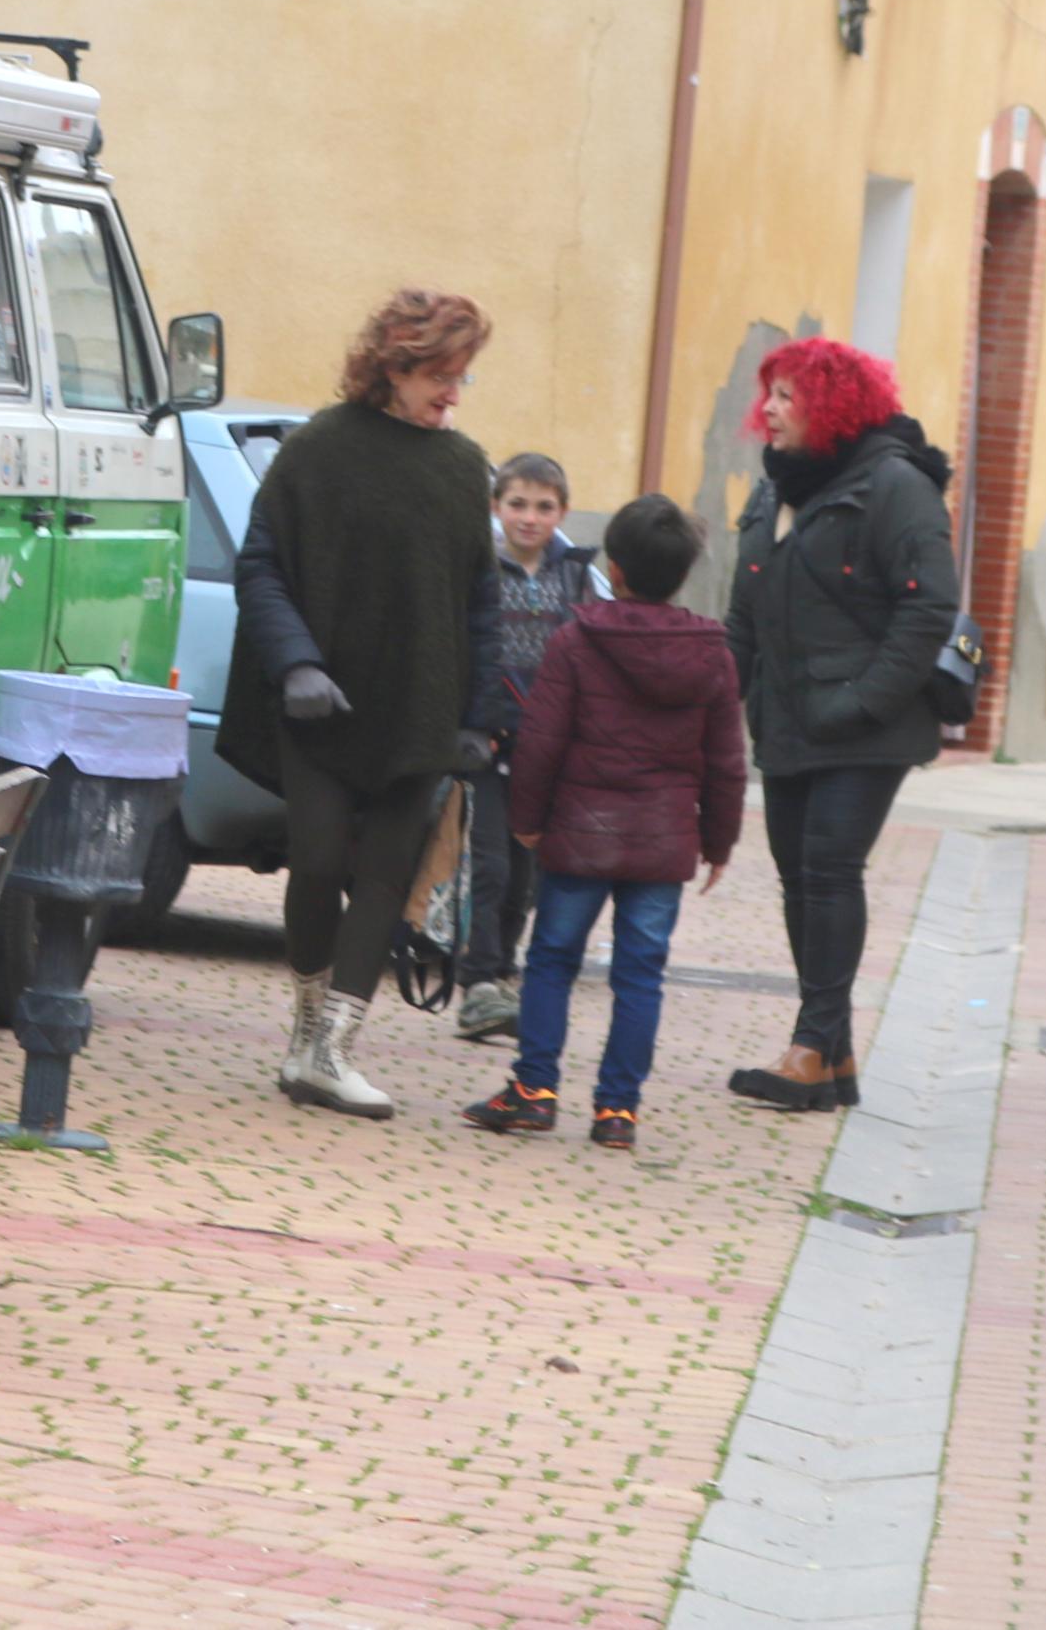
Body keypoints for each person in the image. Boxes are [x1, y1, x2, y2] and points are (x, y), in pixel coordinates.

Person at [217, 287, 510, 1119]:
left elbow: (479, 603)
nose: (453, 393)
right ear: (395, 364)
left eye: (463, 377)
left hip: (418, 711)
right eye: (441, 376)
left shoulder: (462, 467)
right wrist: (295, 663)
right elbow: (261, 566)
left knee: (383, 878)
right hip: (319, 706)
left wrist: (478, 719)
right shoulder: (317, 449)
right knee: (314, 860)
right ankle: (305, 1032)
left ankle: (331, 1050)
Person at [718, 336, 958, 1112]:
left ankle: (812, 1045)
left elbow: (927, 607)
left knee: (827, 866)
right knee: (798, 877)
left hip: (866, 721)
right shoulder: (774, 488)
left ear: (831, 403)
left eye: (787, 394)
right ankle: (832, 1058)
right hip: (787, 714)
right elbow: (744, 604)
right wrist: (731, 693)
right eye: (770, 394)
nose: (770, 409)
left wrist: (859, 701)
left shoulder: (895, 484)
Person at [465, 494, 744, 1146]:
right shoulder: (712, 653)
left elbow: (540, 739)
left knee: (551, 959)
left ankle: (533, 1090)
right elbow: (726, 759)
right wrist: (718, 840)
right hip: (664, 839)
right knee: (641, 972)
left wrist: (527, 820)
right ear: (680, 573)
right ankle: (617, 1109)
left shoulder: (575, 639)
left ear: (612, 568)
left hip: (577, 834)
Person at [457, 452, 597, 1040]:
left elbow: (590, 657)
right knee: (490, 862)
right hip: (492, 740)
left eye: (543, 507)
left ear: (562, 512)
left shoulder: (575, 575)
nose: (530, 518)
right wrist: (468, 723)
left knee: (528, 870)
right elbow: (465, 650)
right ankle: (478, 982)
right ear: (496, 507)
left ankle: (504, 970)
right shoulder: (480, 568)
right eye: (517, 504)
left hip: (550, 750)